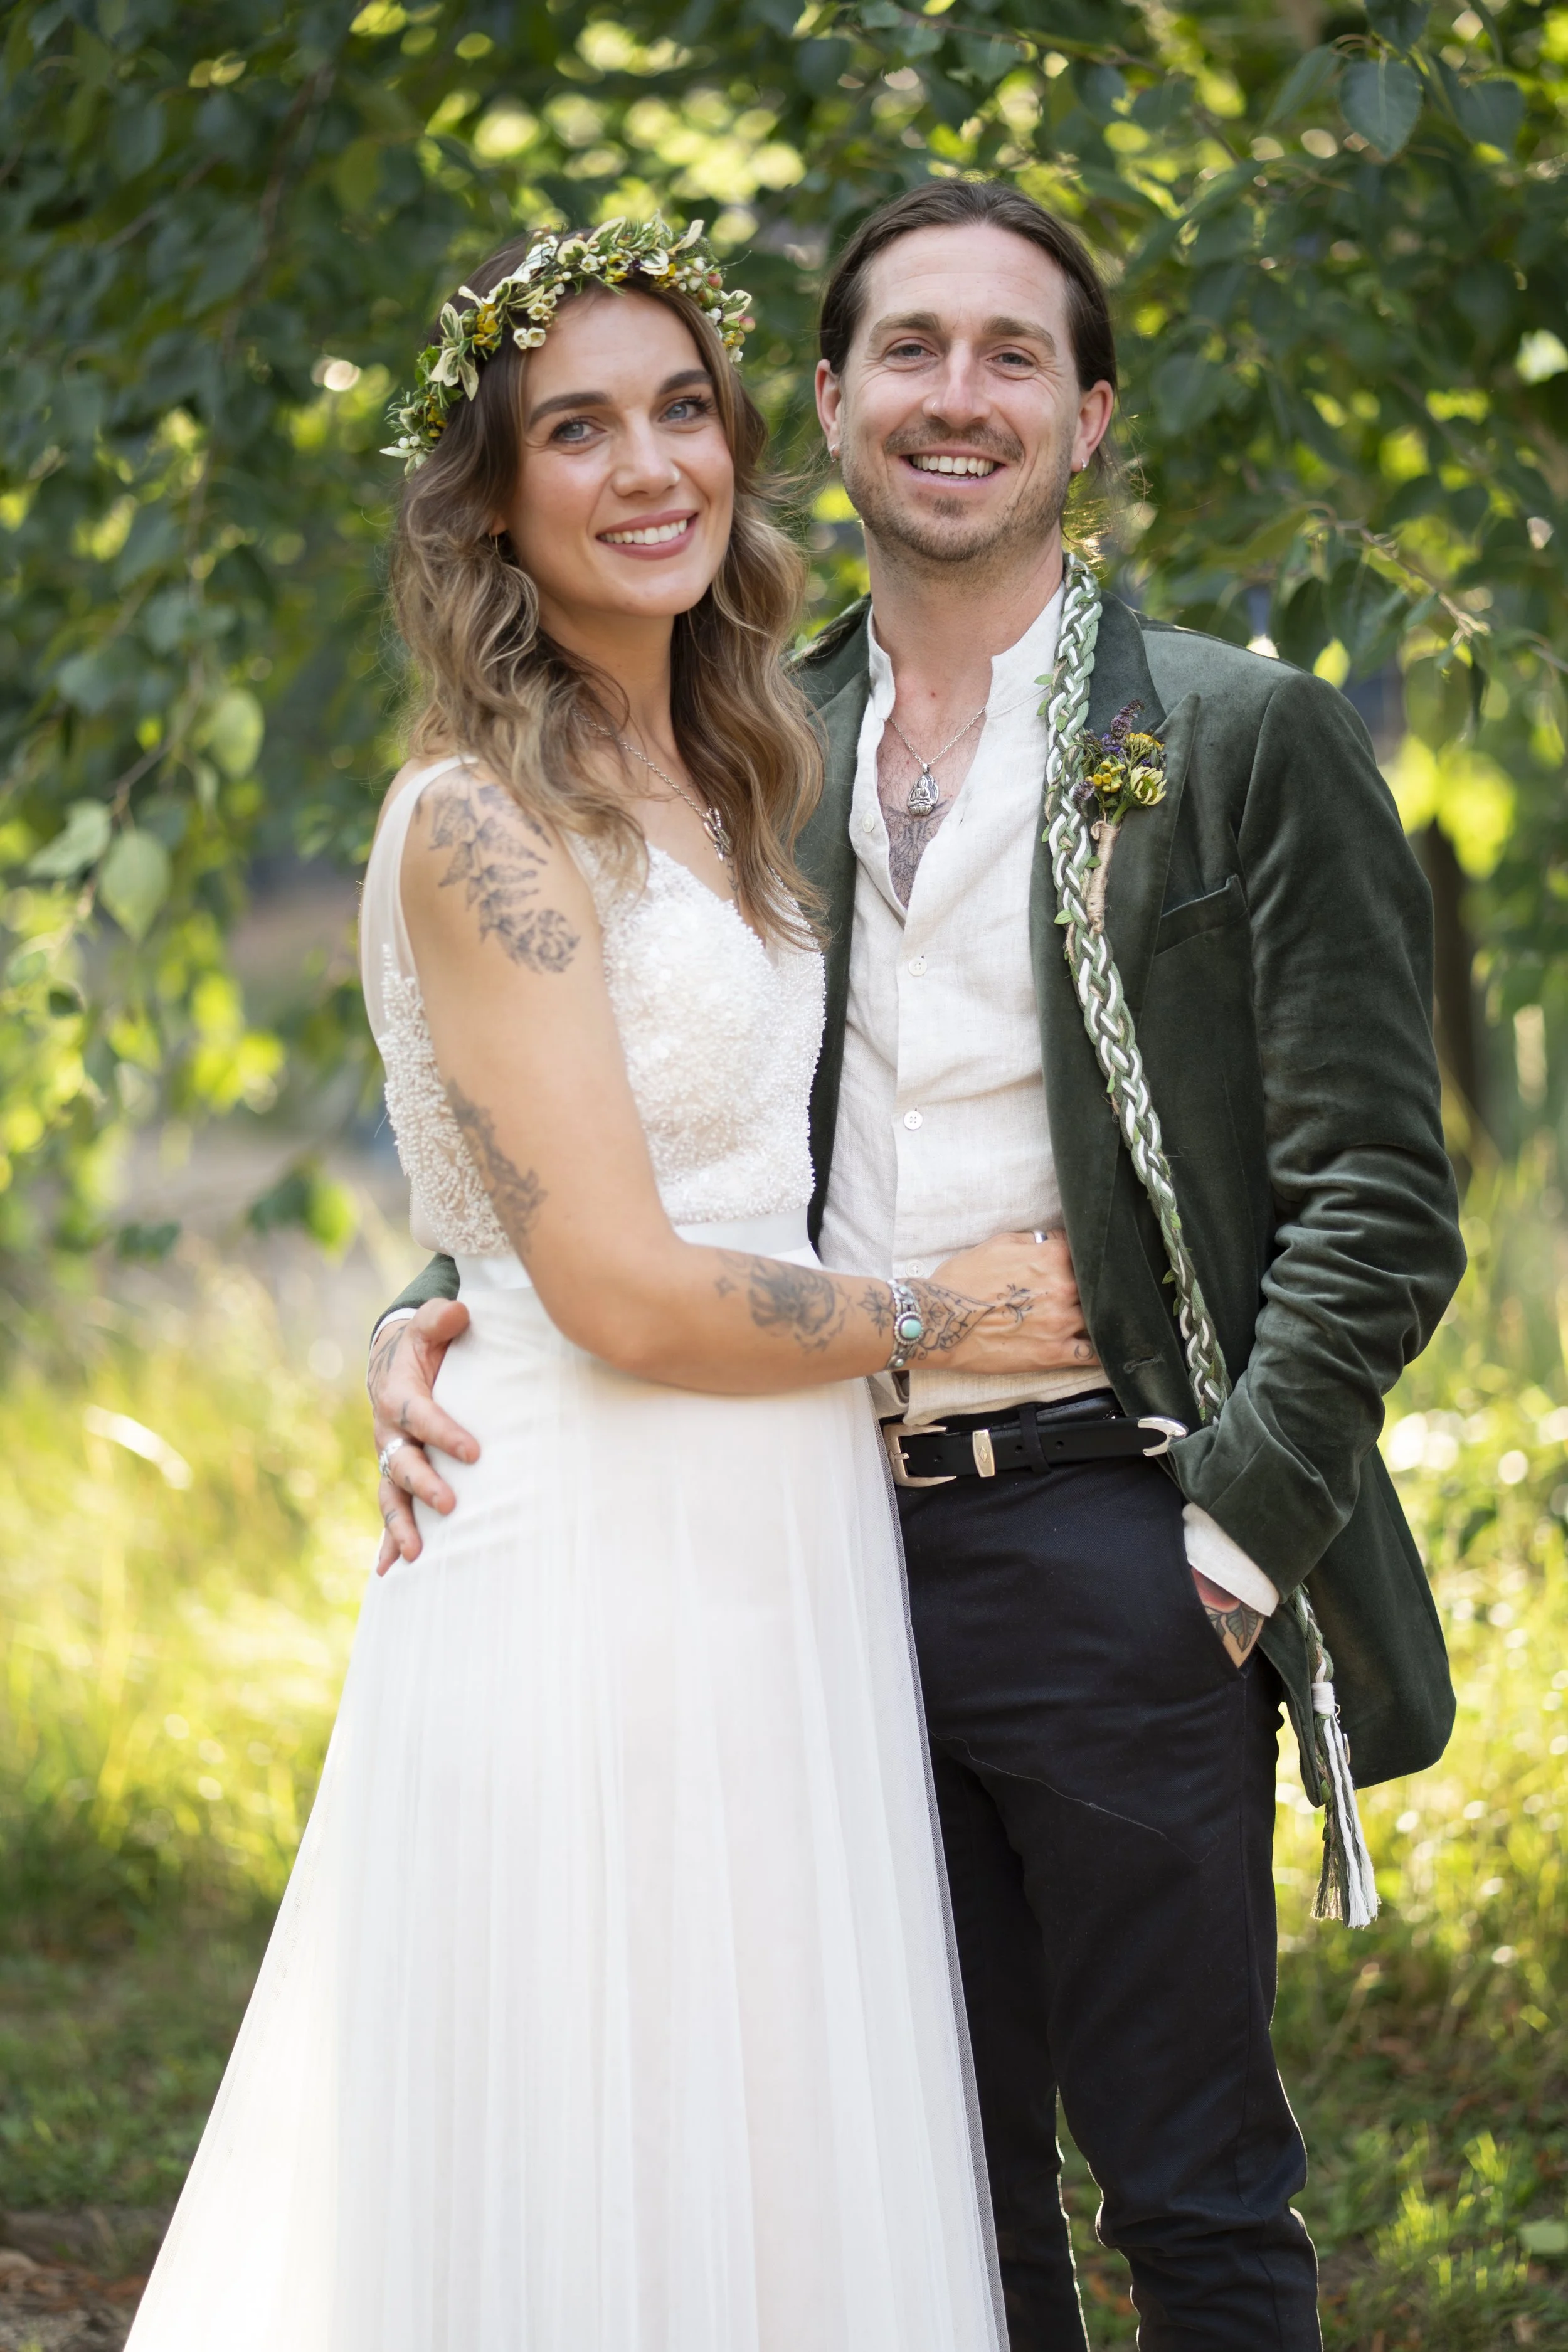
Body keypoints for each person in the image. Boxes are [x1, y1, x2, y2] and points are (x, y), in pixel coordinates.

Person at [371, 184, 1467, 2351]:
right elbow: (599, 1107)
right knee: (911, 2210)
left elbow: (1376, 1193)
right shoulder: (743, 739)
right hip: (794, 1560)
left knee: (1192, 2190)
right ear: (836, 401)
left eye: (1008, 355)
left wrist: (1232, 1535)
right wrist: (426, 1302)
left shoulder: (1239, 735)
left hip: (1109, 1536)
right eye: (906, 352)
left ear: (1087, 417)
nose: (953, 397)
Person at [126, 215, 1116, 2352]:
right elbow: (618, 1288)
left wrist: (437, 1279)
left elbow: (632, 1153)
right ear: (490, 495)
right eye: (575, 427)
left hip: (776, 1543)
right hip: (597, 1555)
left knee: (758, 2111)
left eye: (682, 409)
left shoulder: (738, 764)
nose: (648, 464)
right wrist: (941, 1314)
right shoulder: (481, 825)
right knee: (585, 2126)